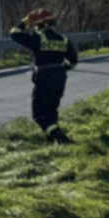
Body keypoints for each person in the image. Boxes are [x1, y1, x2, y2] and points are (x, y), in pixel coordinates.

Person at [10, 8, 78, 144]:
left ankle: (59, 137)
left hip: (44, 75)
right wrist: (61, 69)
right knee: (52, 108)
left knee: (38, 113)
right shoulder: (63, 39)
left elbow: (14, 34)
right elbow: (73, 61)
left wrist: (25, 22)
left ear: (40, 25)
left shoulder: (39, 38)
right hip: (60, 76)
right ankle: (52, 138)